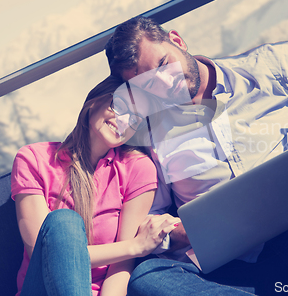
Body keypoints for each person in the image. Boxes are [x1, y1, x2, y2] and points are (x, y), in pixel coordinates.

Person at [105, 16, 288, 295]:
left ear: (177, 41)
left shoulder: (264, 67)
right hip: (240, 269)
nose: (167, 83)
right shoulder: (152, 138)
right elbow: (152, 222)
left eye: (164, 63)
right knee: (148, 277)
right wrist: (181, 232)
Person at [11, 76, 182, 296]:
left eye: (135, 118)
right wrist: (136, 246)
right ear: (93, 101)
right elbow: (43, 253)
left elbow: (121, 268)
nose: (123, 120)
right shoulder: (33, 159)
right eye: (118, 105)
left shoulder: (138, 169)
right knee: (64, 222)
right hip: (42, 288)